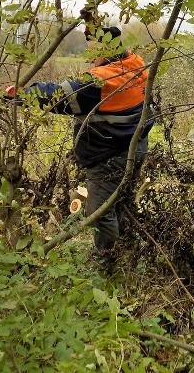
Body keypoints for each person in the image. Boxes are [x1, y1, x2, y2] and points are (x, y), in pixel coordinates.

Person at [19, 25, 153, 266]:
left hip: (109, 156)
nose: (89, 57)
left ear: (104, 46)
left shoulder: (103, 81)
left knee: (99, 213)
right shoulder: (135, 63)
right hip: (135, 147)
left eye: (91, 49)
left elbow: (59, 96)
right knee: (124, 200)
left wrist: (20, 93)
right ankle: (129, 248)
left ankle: (108, 260)